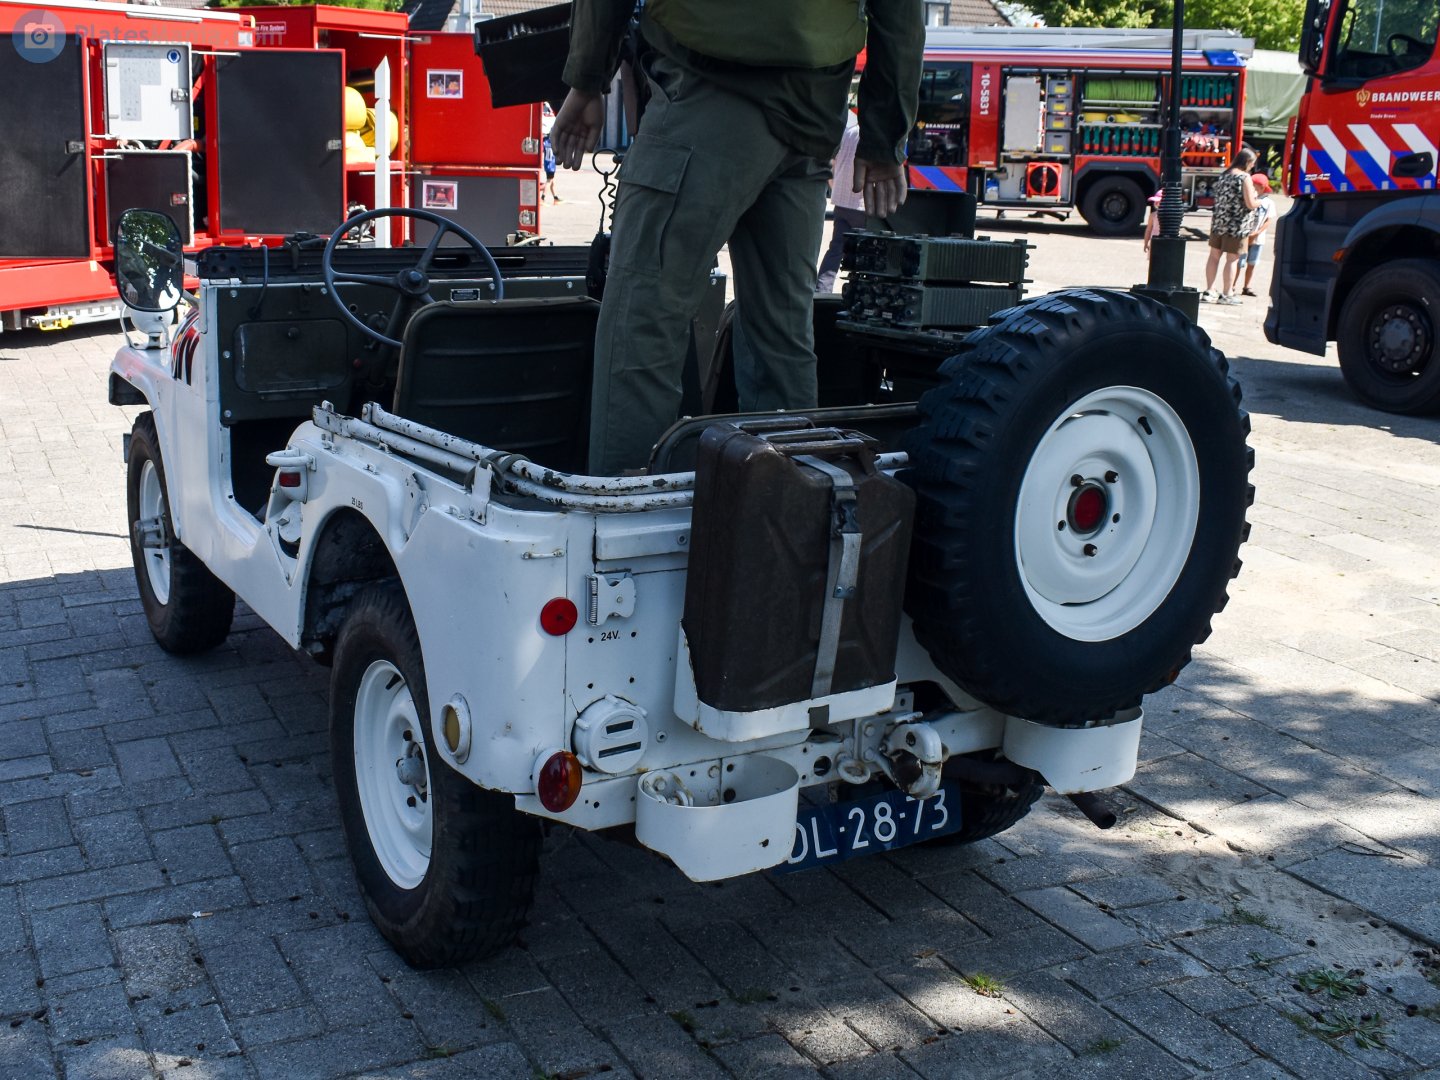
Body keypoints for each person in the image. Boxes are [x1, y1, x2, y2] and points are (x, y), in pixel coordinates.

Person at [552, 0, 924, 474]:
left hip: (708, 95)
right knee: (781, 332)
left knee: (642, 319)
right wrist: (886, 134)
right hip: (812, 117)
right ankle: (784, 509)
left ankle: (628, 523)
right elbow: (901, 13)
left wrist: (586, 78)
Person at [1201, 147, 1259, 306]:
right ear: (1247, 162)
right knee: (1232, 259)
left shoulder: (1224, 175)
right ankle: (1227, 293)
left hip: (1219, 222)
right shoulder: (1244, 178)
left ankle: (1209, 290)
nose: (1252, 167)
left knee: (1214, 256)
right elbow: (1250, 203)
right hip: (1237, 225)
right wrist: (1259, 200)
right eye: (1252, 163)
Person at [815, 109, 865, 293]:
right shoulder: (875, 139)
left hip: (842, 202)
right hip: (862, 205)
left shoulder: (848, 132)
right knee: (865, 251)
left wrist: (834, 186)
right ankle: (857, 289)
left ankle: (822, 289)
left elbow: (832, 162)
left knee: (836, 248)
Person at [1239, 173, 1274, 297]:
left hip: (1258, 238)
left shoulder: (1268, 202)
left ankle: (1246, 286)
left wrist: (1258, 232)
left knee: (1252, 264)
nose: (1252, 188)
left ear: (1262, 188)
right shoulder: (1247, 198)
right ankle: (1232, 286)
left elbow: (1269, 219)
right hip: (1244, 235)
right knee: (1239, 263)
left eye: (1255, 186)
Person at [540, 102, 562, 203]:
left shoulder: (547, 142)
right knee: (549, 180)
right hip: (550, 164)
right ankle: (543, 197)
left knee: (552, 180)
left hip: (549, 162)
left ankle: (555, 197)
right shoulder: (550, 143)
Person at [1142, 189, 1162, 255]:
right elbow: (1148, 229)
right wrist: (1146, 243)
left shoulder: (1170, 216)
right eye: (1156, 202)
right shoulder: (1153, 215)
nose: (1156, 203)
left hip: (1163, 242)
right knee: (1153, 261)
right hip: (1154, 242)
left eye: (1159, 202)